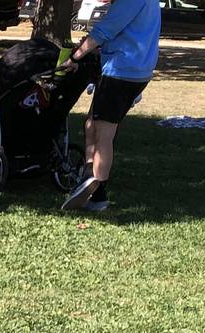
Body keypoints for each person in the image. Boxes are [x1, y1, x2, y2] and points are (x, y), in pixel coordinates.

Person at [61, 0, 160, 211]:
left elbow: (105, 30)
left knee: (104, 132)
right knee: (91, 124)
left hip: (122, 71)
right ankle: (88, 175)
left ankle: (97, 194)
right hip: (136, 70)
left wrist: (75, 55)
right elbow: (127, 31)